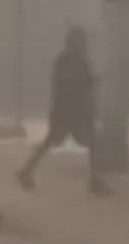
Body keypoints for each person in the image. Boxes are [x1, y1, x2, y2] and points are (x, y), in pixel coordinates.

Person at [17, 27, 111, 195]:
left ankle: (26, 170)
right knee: (92, 143)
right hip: (73, 113)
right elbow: (77, 87)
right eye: (81, 40)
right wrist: (92, 82)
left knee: (52, 142)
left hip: (66, 112)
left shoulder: (66, 61)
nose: (84, 44)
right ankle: (95, 181)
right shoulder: (74, 62)